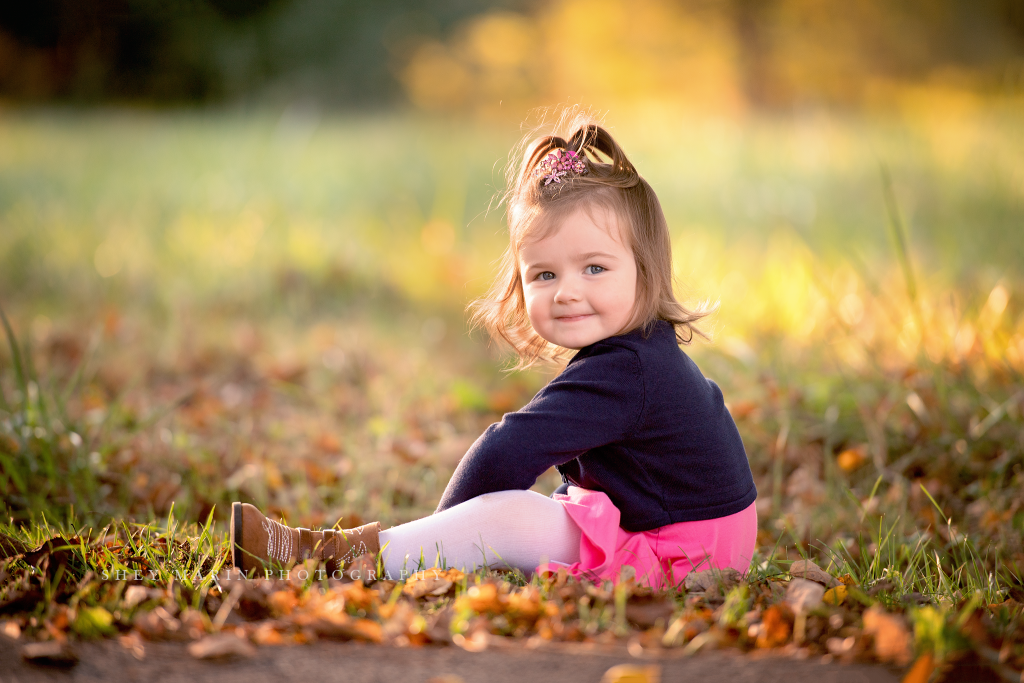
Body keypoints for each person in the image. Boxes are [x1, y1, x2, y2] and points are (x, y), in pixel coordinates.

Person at [231, 112, 758, 589]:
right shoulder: (642, 353)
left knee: (506, 518)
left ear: (646, 269)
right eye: (544, 274)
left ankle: (334, 558)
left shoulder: (628, 370)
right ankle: (373, 551)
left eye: (594, 267)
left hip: (685, 557)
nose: (567, 290)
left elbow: (507, 451)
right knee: (532, 515)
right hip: (693, 541)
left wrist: (450, 533)